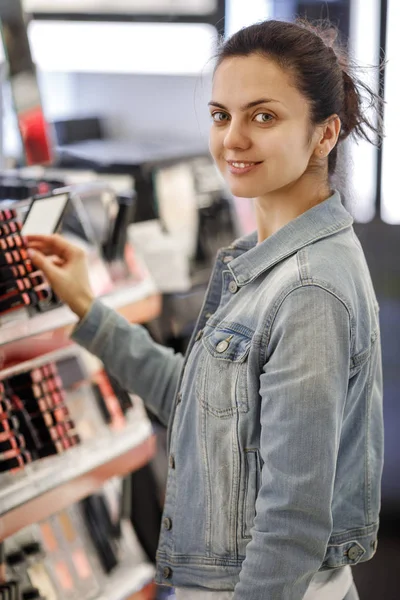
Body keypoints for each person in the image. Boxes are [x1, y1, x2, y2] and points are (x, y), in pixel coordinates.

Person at [27, 19, 384, 600]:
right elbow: (201, 408)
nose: (232, 139)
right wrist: (86, 306)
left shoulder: (306, 290)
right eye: (222, 115)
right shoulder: (264, 262)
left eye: (263, 116)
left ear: (325, 134)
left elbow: (292, 524)